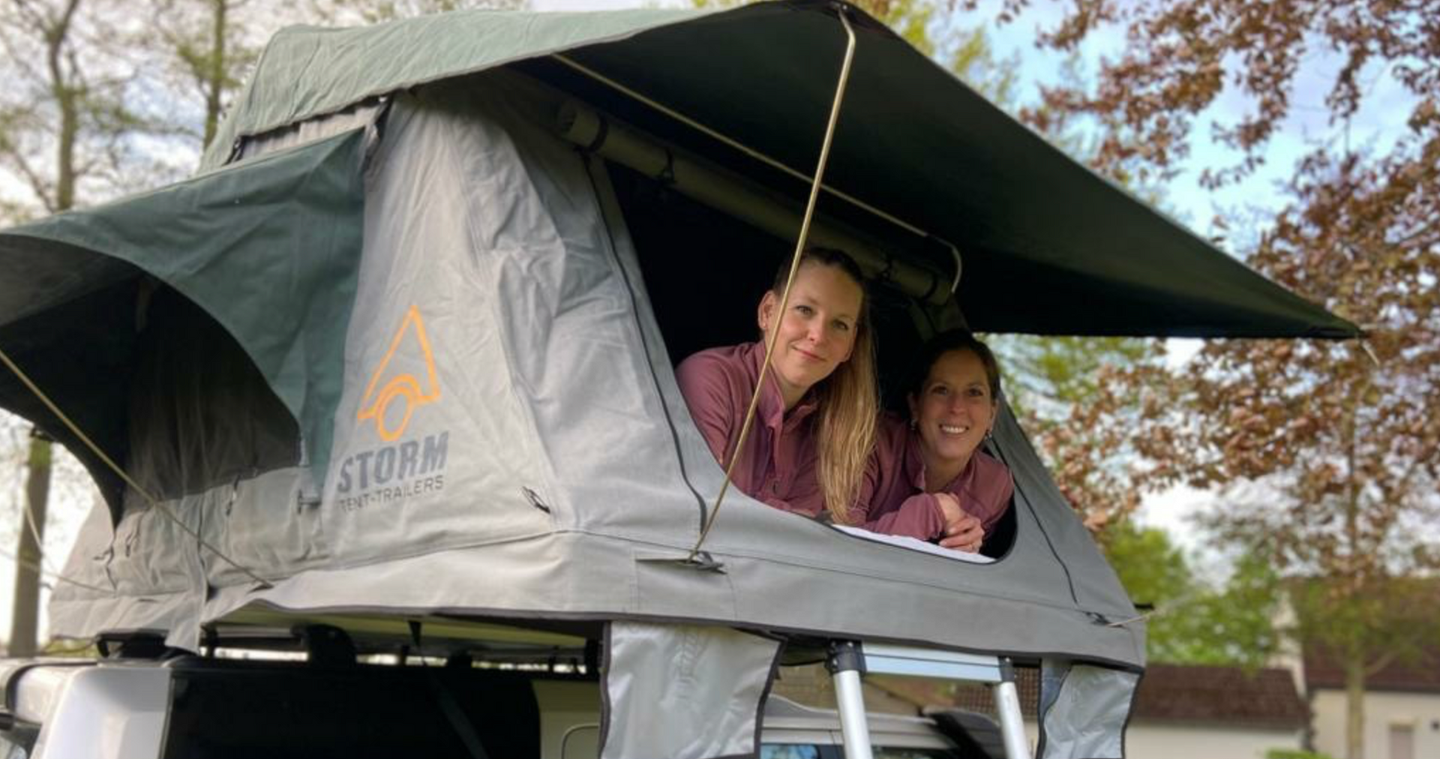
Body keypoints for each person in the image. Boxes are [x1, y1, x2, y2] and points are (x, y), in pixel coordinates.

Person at [676, 247, 878, 526]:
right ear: (768, 312)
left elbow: (801, 538)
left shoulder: (830, 429)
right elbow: (693, 506)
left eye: (839, 325)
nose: (818, 335)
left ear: (850, 346)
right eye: (804, 310)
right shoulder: (709, 379)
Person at [863, 330, 1015, 553]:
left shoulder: (994, 485)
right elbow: (837, 546)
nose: (957, 407)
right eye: (941, 390)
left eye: (974, 392)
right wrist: (933, 512)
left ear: (992, 414)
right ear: (915, 404)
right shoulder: (869, 443)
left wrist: (970, 547)